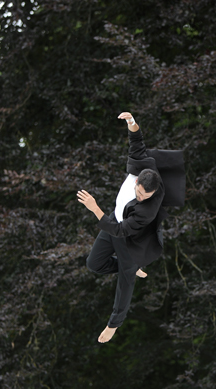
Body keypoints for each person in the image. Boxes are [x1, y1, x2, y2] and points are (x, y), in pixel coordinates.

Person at [78, 112, 185, 343]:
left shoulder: (147, 209)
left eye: (146, 196)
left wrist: (94, 207)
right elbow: (137, 140)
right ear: (137, 180)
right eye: (139, 193)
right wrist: (131, 122)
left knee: (125, 282)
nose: (141, 197)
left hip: (129, 238)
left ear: (153, 192)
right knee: (94, 264)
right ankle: (130, 267)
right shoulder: (142, 163)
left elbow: (121, 232)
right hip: (114, 220)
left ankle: (114, 323)